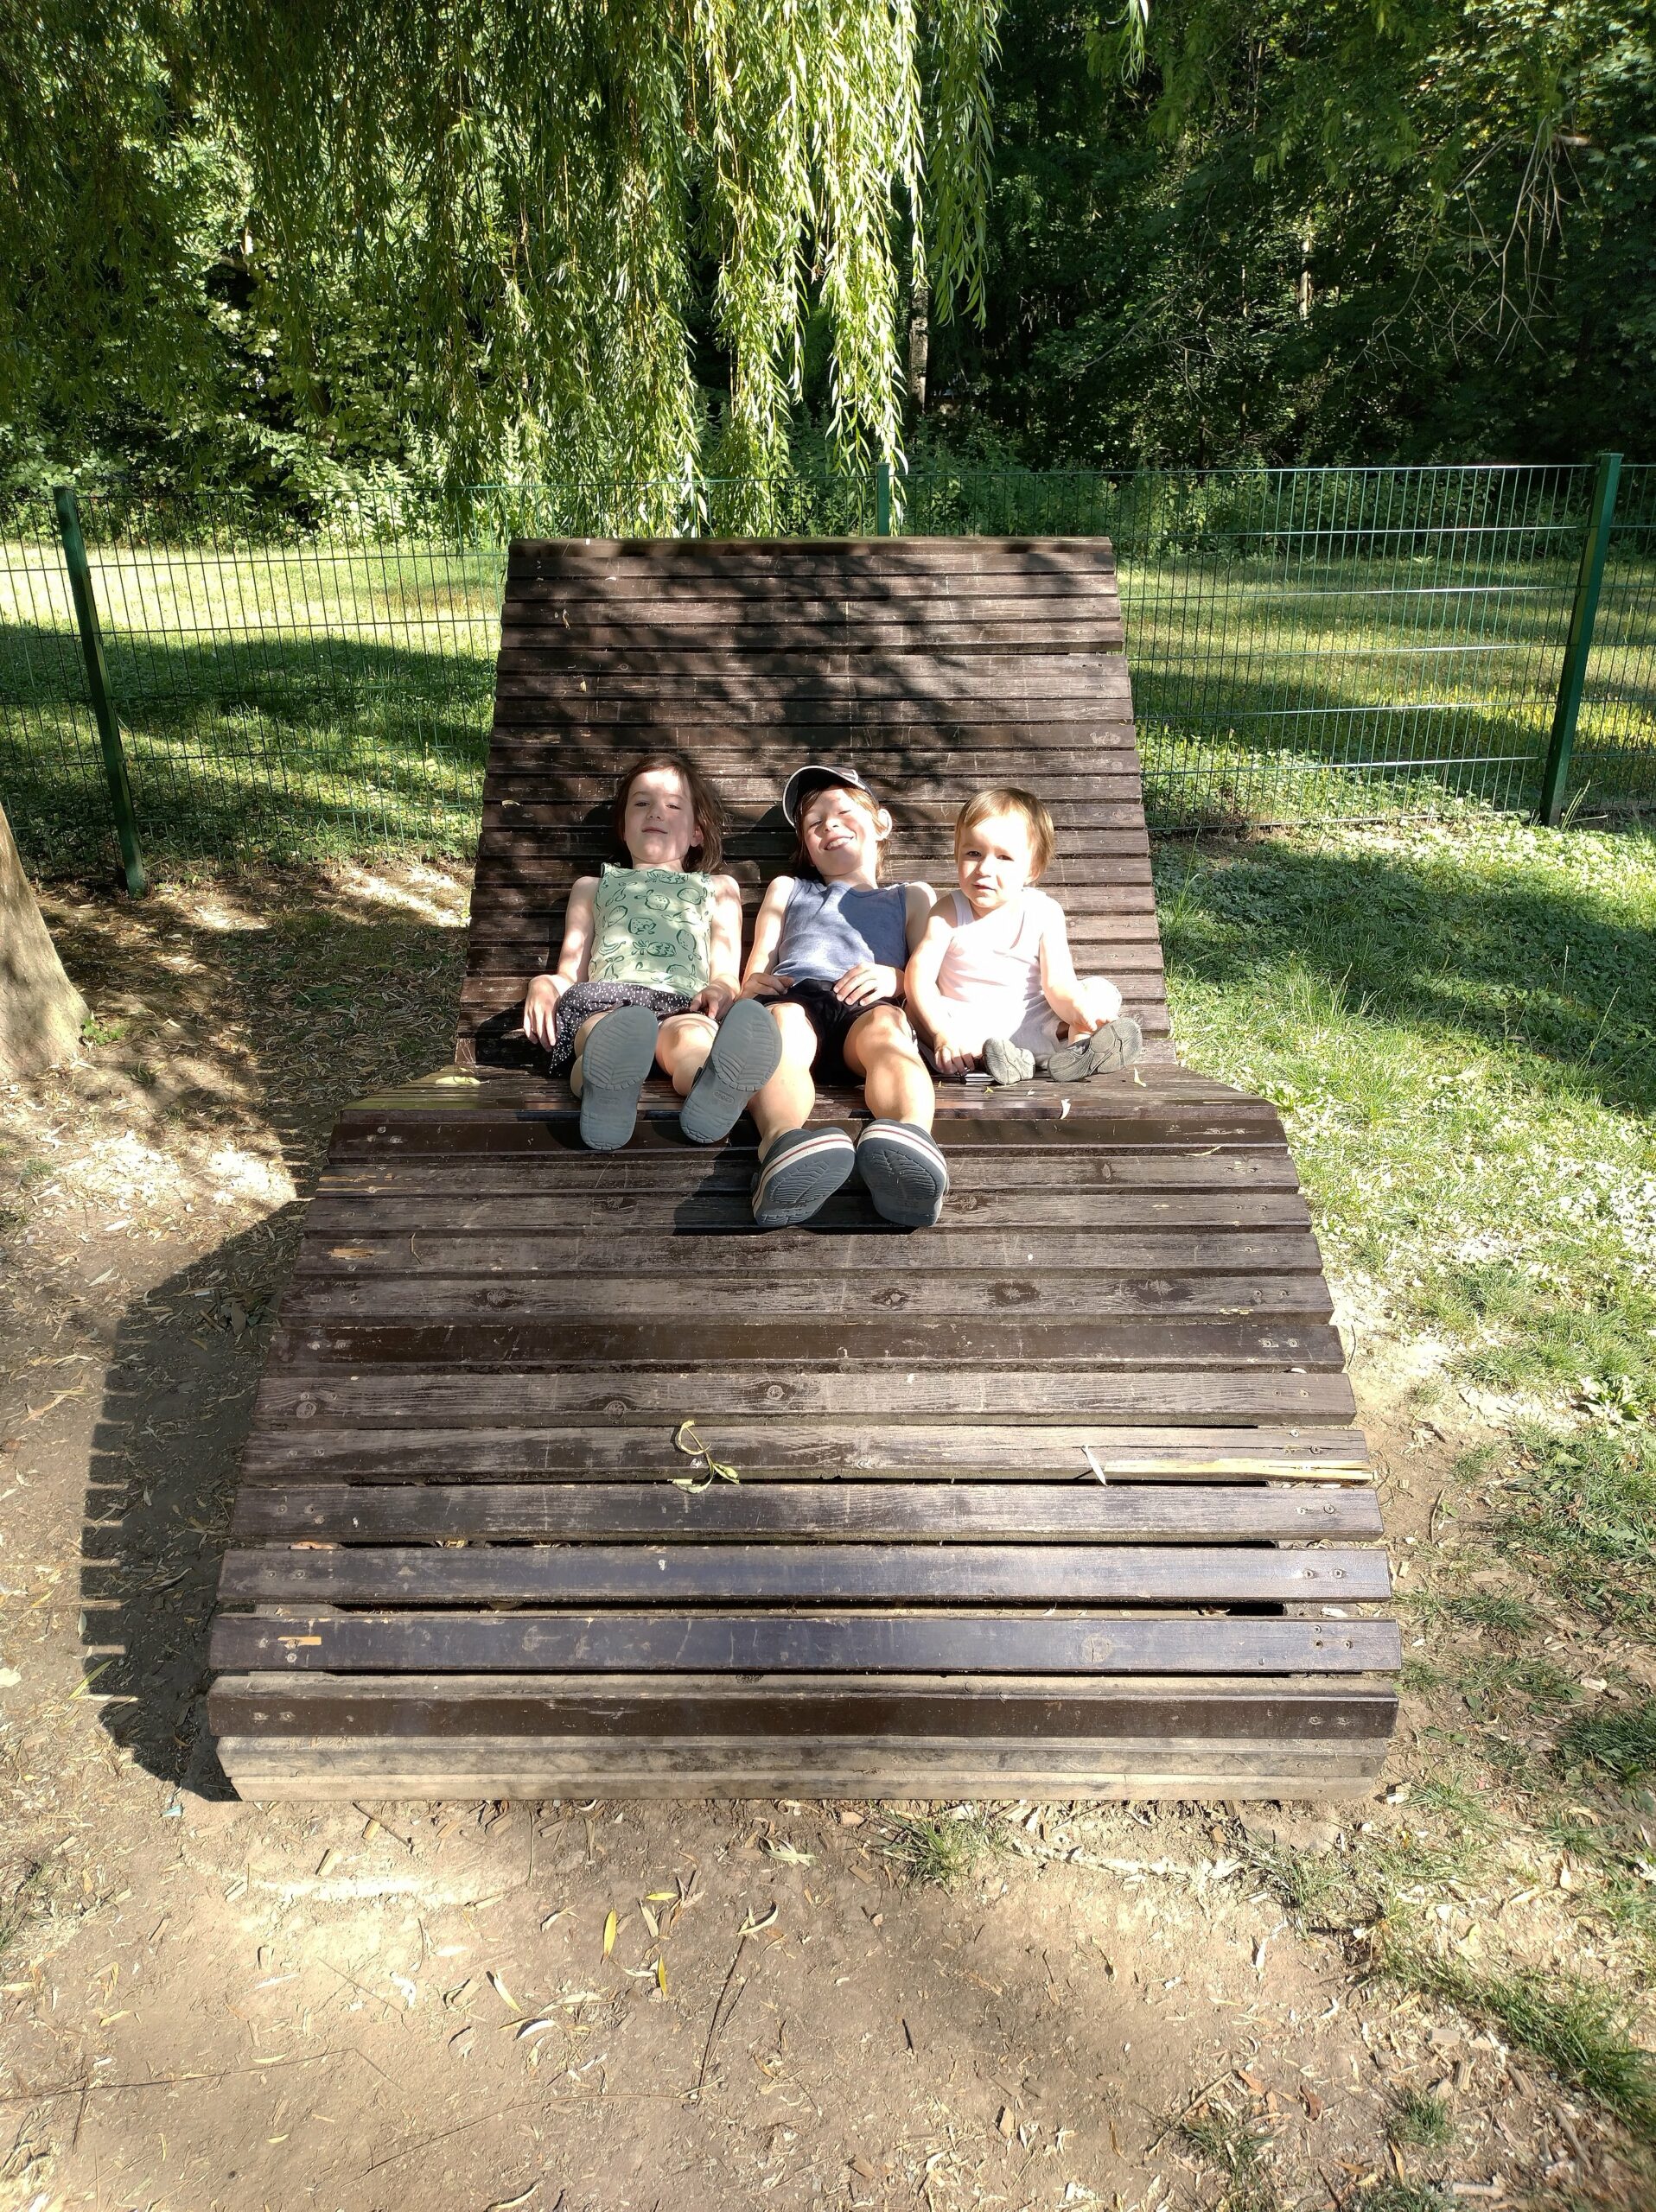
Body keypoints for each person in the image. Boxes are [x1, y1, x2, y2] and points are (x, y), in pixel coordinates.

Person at [521, 753, 781, 1150]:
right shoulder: (593, 886)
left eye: (673, 805)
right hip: (608, 1002)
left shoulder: (718, 888)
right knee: (600, 1034)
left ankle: (712, 1089)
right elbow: (570, 971)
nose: (656, 812)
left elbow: (726, 974)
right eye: (641, 803)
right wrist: (543, 983)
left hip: (683, 1003)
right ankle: (604, 1094)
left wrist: (720, 990)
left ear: (697, 832)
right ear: (623, 828)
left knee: (692, 1041)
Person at [738, 765, 945, 1229]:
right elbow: (760, 962)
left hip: (869, 1006)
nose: (829, 825)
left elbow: (929, 975)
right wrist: (753, 984)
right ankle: (781, 1147)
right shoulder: (789, 888)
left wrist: (897, 979)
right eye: (814, 824)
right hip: (797, 999)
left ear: (881, 823)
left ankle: (911, 1142)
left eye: (844, 813)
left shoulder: (910, 895)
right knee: (782, 1030)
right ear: (807, 850)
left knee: (888, 1033)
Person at [905, 785, 1143, 1085]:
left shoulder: (1044, 912)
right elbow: (919, 978)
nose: (984, 868)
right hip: (968, 1030)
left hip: (1032, 1022)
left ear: (1033, 868)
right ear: (957, 855)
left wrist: (1078, 1010)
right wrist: (942, 1032)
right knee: (915, 1009)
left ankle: (1079, 1046)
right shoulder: (948, 913)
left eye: (1004, 857)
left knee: (1100, 991)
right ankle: (1009, 1060)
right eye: (973, 853)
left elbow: (1058, 984)